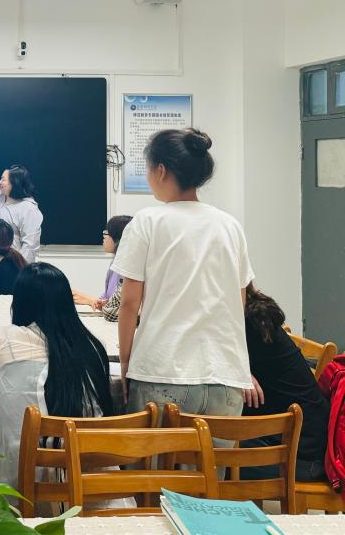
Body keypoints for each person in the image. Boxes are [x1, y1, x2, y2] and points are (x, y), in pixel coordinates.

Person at [113, 128, 258, 418]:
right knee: (212, 451)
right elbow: (238, 301)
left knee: (152, 451)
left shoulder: (147, 222)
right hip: (226, 377)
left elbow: (129, 303)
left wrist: (126, 363)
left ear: (161, 171)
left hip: (161, 371)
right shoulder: (229, 225)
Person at [0, 263, 114, 488]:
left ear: (19, 303)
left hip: (18, 485)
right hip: (89, 483)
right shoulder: (93, 345)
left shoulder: (5, 339)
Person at [240, 284, 329, 481]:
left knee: (211, 455)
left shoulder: (251, 327)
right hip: (307, 445)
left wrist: (237, 370)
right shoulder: (257, 315)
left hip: (302, 458)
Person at [72, 215, 132, 312]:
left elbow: (118, 306)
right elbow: (106, 298)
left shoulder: (127, 267)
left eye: (107, 233)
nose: (104, 237)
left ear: (119, 238)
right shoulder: (115, 262)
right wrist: (93, 301)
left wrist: (90, 299)